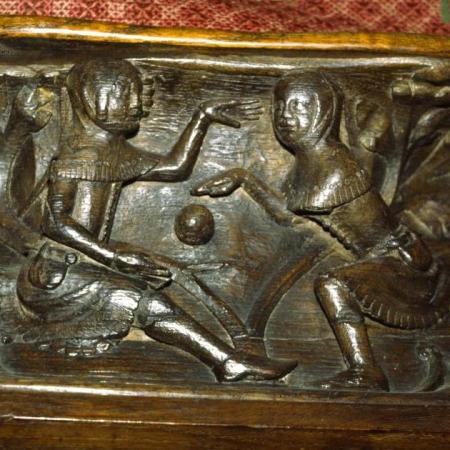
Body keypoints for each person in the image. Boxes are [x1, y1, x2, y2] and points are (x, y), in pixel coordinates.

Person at [15, 59, 296, 382]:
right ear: (93, 98)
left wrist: (201, 118)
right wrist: (114, 256)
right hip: (56, 276)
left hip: (85, 263)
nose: (136, 104)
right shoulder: (75, 157)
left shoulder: (113, 152)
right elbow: (55, 222)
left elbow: (175, 167)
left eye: (137, 94)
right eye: (124, 93)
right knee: (147, 303)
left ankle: (233, 354)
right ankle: (227, 363)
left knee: (172, 277)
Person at [193, 71, 450, 391]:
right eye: (280, 107)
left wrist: (244, 179)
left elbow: (289, 215)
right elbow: (291, 214)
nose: (286, 117)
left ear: (323, 112)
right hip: (387, 255)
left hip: (404, 263)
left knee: (333, 285)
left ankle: (366, 370)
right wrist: (242, 178)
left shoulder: (334, 166)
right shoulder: (308, 163)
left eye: (299, 107)